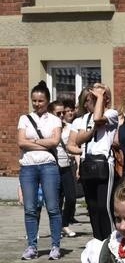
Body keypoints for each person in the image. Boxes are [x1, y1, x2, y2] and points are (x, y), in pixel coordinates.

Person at [18, 80, 62, 260]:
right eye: (34, 100)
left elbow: (55, 141)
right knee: (30, 208)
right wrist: (43, 143)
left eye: (40, 101)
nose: (37, 104)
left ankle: (55, 246)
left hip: (48, 165)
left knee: (52, 207)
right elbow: (21, 142)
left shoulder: (54, 119)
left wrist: (33, 143)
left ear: (47, 101)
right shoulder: (24, 118)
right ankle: (31, 246)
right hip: (28, 166)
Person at [69, 83, 119, 240]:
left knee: (104, 207)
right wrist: (92, 130)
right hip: (88, 164)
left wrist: (100, 98)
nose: (87, 103)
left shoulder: (111, 113)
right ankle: (98, 240)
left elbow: (98, 118)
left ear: (104, 99)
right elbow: (77, 140)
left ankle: (111, 240)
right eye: (89, 99)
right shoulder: (82, 119)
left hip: (104, 164)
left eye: (93, 99)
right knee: (92, 207)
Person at [49, 99, 78, 239]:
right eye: (58, 113)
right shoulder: (47, 128)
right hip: (53, 166)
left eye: (63, 112)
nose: (61, 115)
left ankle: (64, 223)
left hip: (66, 166)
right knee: (57, 199)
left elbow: (75, 145)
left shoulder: (69, 127)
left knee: (71, 197)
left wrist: (77, 163)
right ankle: (58, 227)